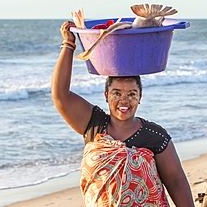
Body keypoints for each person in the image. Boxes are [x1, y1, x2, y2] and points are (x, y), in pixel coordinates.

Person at [52, 21, 195, 207]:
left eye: (132, 94)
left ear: (140, 97)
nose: (124, 101)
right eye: (117, 93)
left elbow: (176, 182)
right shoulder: (93, 125)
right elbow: (60, 96)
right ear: (106, 96)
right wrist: (69, 45)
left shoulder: (155, 136)